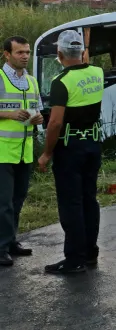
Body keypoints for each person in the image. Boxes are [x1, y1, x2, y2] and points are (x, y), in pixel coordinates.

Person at [38, 30, 104, 275]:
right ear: (82, 52)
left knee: (71, 203)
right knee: (89, 199)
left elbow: (54, 123)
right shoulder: (97, 73)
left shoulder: (61, 82)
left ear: (59, 53)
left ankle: (74, 259)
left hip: (71, 149)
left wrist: (46, 153)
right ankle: (89, 253)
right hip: (93, 146)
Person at [0, 36, 44, 267]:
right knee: (3, 203)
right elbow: (8, 111)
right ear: (7, 54)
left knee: (17, 200)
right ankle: (1, 247)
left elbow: (38, 109)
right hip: (2, 151)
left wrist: (38, 118)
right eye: (20, 53)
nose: (25, 56)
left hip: (24, 151)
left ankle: (11, 241)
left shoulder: (32, 81)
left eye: (27, 52)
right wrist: (9, 114)